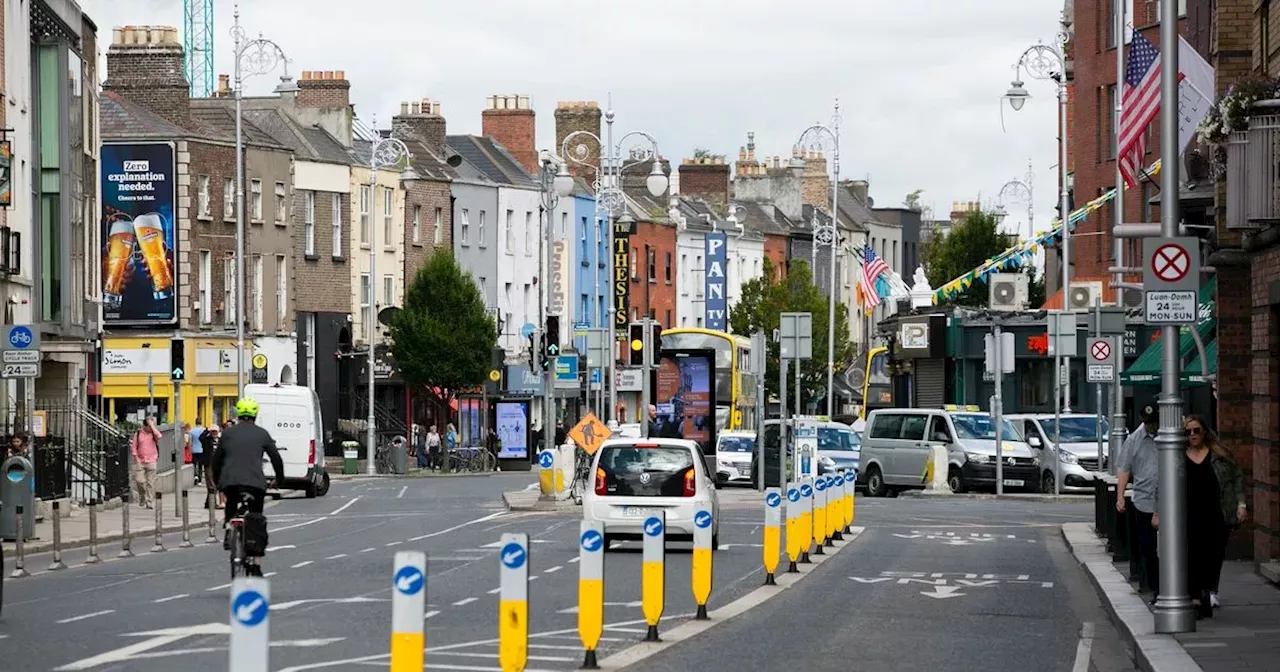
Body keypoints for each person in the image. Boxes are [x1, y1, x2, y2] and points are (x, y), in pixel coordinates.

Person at [210, 398, 285, 577]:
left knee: (231, 502)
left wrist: (218, 481)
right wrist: (279, 480)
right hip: (255, 483)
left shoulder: (227, 433)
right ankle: (256, 562)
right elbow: (276, 458)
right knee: (256, 518)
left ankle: (229, 527)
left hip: (231, 481)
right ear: (255, 415)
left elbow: (216, 460)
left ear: (238, 415)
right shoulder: (262, 434)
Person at [1183, 415, 1246, 614]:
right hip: (1188, 515)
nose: (1192, 435)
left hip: (1217, 513)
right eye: (1188, 432)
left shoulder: (1219, 455)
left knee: (1213, 556)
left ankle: (1208, 591)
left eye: (1196, 430)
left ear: (1204, 432)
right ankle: (1195, 596)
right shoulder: (1177, 456)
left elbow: (1237, 477)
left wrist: (1241, 504)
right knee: (1191, 555)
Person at [1117, 404, 1160, 602]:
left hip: (1168, 503)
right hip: (1143, 501)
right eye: (1148, 423)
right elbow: (1125, 468)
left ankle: (1166, 587)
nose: (1151, 427)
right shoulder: (1134, 439)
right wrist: (1120, 496)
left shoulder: (1168, 436)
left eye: (1153, 423)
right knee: (1148, 547)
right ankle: (1152, 587)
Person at [130, 416, 162, 509]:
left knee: (150, 483)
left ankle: (149, 501)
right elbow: (134, 447)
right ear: (145, 426)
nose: (151, 428)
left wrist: (152, 426)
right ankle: (142, 496)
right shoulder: (138, 433)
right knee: (139, 481)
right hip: (140, 460)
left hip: (152, 460)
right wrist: (136, 458)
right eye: (150, 426)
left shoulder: (153, 433)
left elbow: (159, 436)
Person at [200, 423, 220, 509]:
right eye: (213, 431)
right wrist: (207, 430)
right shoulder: (207, 440)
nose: (214, 433)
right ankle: (213, 503)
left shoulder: (220, 440)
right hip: (209, 464)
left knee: (214, 484)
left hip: (218, 465)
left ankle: (208, 503)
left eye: (215, 431)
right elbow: (200, 438)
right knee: (211, 484)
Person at [188, 418, 205, 485]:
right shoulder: (203, 430)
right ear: (201, 422)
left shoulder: (192, 431)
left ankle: (195, 476)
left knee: (195, 464)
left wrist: (190, 450)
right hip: (202, 450)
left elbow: (190, 442)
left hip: (194, 450)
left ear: (195, 422)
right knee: (200, 465)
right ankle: (200, 480)